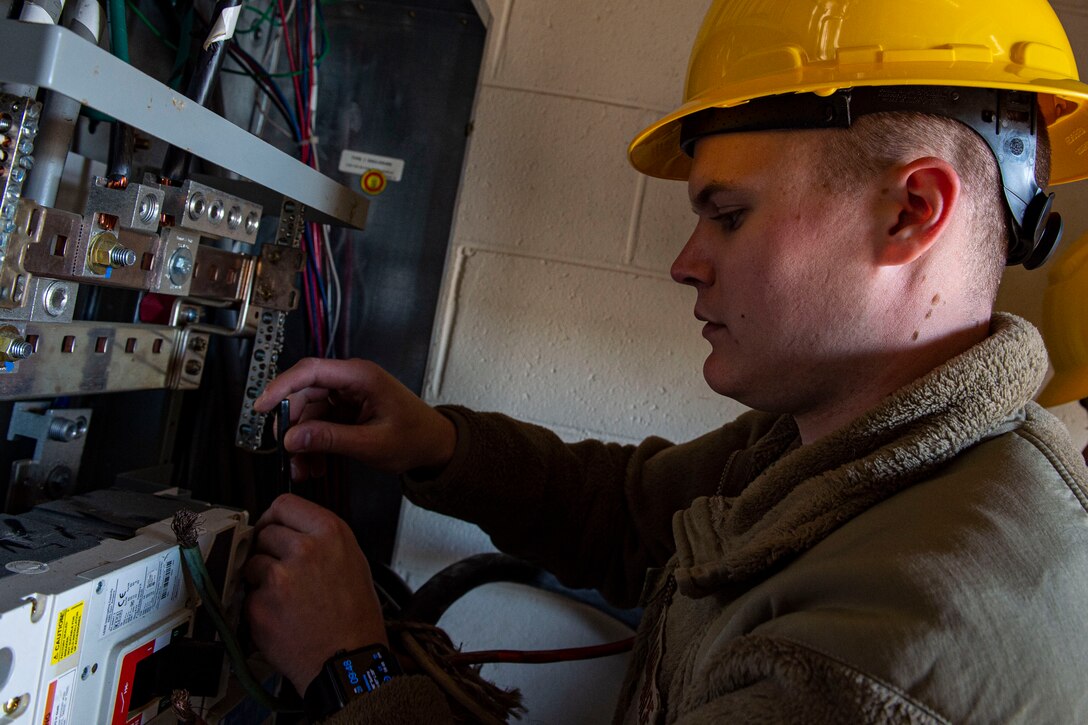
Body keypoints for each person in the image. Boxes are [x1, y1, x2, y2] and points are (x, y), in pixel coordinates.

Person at [243, 0, 1088, 721]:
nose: (684, 261)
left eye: (727, 213)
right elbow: (636, 515)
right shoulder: (848, 442)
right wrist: (436, 444)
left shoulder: (887, 659)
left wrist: (350, 669)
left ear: (910, 211)